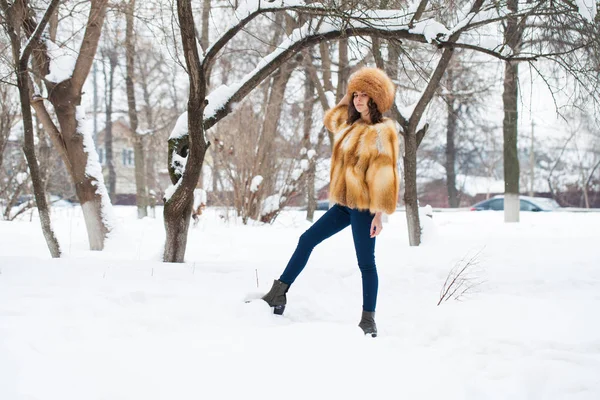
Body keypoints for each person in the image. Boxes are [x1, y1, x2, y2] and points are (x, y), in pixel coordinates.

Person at [261, 67, 399, 337]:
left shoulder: (383, 131)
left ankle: (368, 320)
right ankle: (278, 294)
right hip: (343, 205)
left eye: (364, 95)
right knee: (307, 239)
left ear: (376, 98)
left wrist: (378, 215)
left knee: (366, 263)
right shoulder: (350, 125)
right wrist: (349, 95)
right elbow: (331, 119)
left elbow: (386, 173)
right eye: (355, 94)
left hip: (364, 208)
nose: (358, 100)